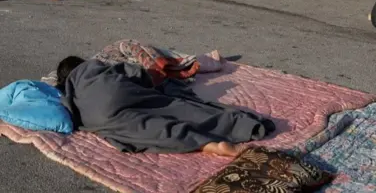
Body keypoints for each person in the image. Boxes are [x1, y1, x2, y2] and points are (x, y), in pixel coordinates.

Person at [55, 56, 275, 157]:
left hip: (100, 117)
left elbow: (68, 116)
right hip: (121, 92)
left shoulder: (69, 90)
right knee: (175, 108)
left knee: (156, 130)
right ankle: (245, 126)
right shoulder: (95, 66)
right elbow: (138, 74)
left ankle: (211, 146)